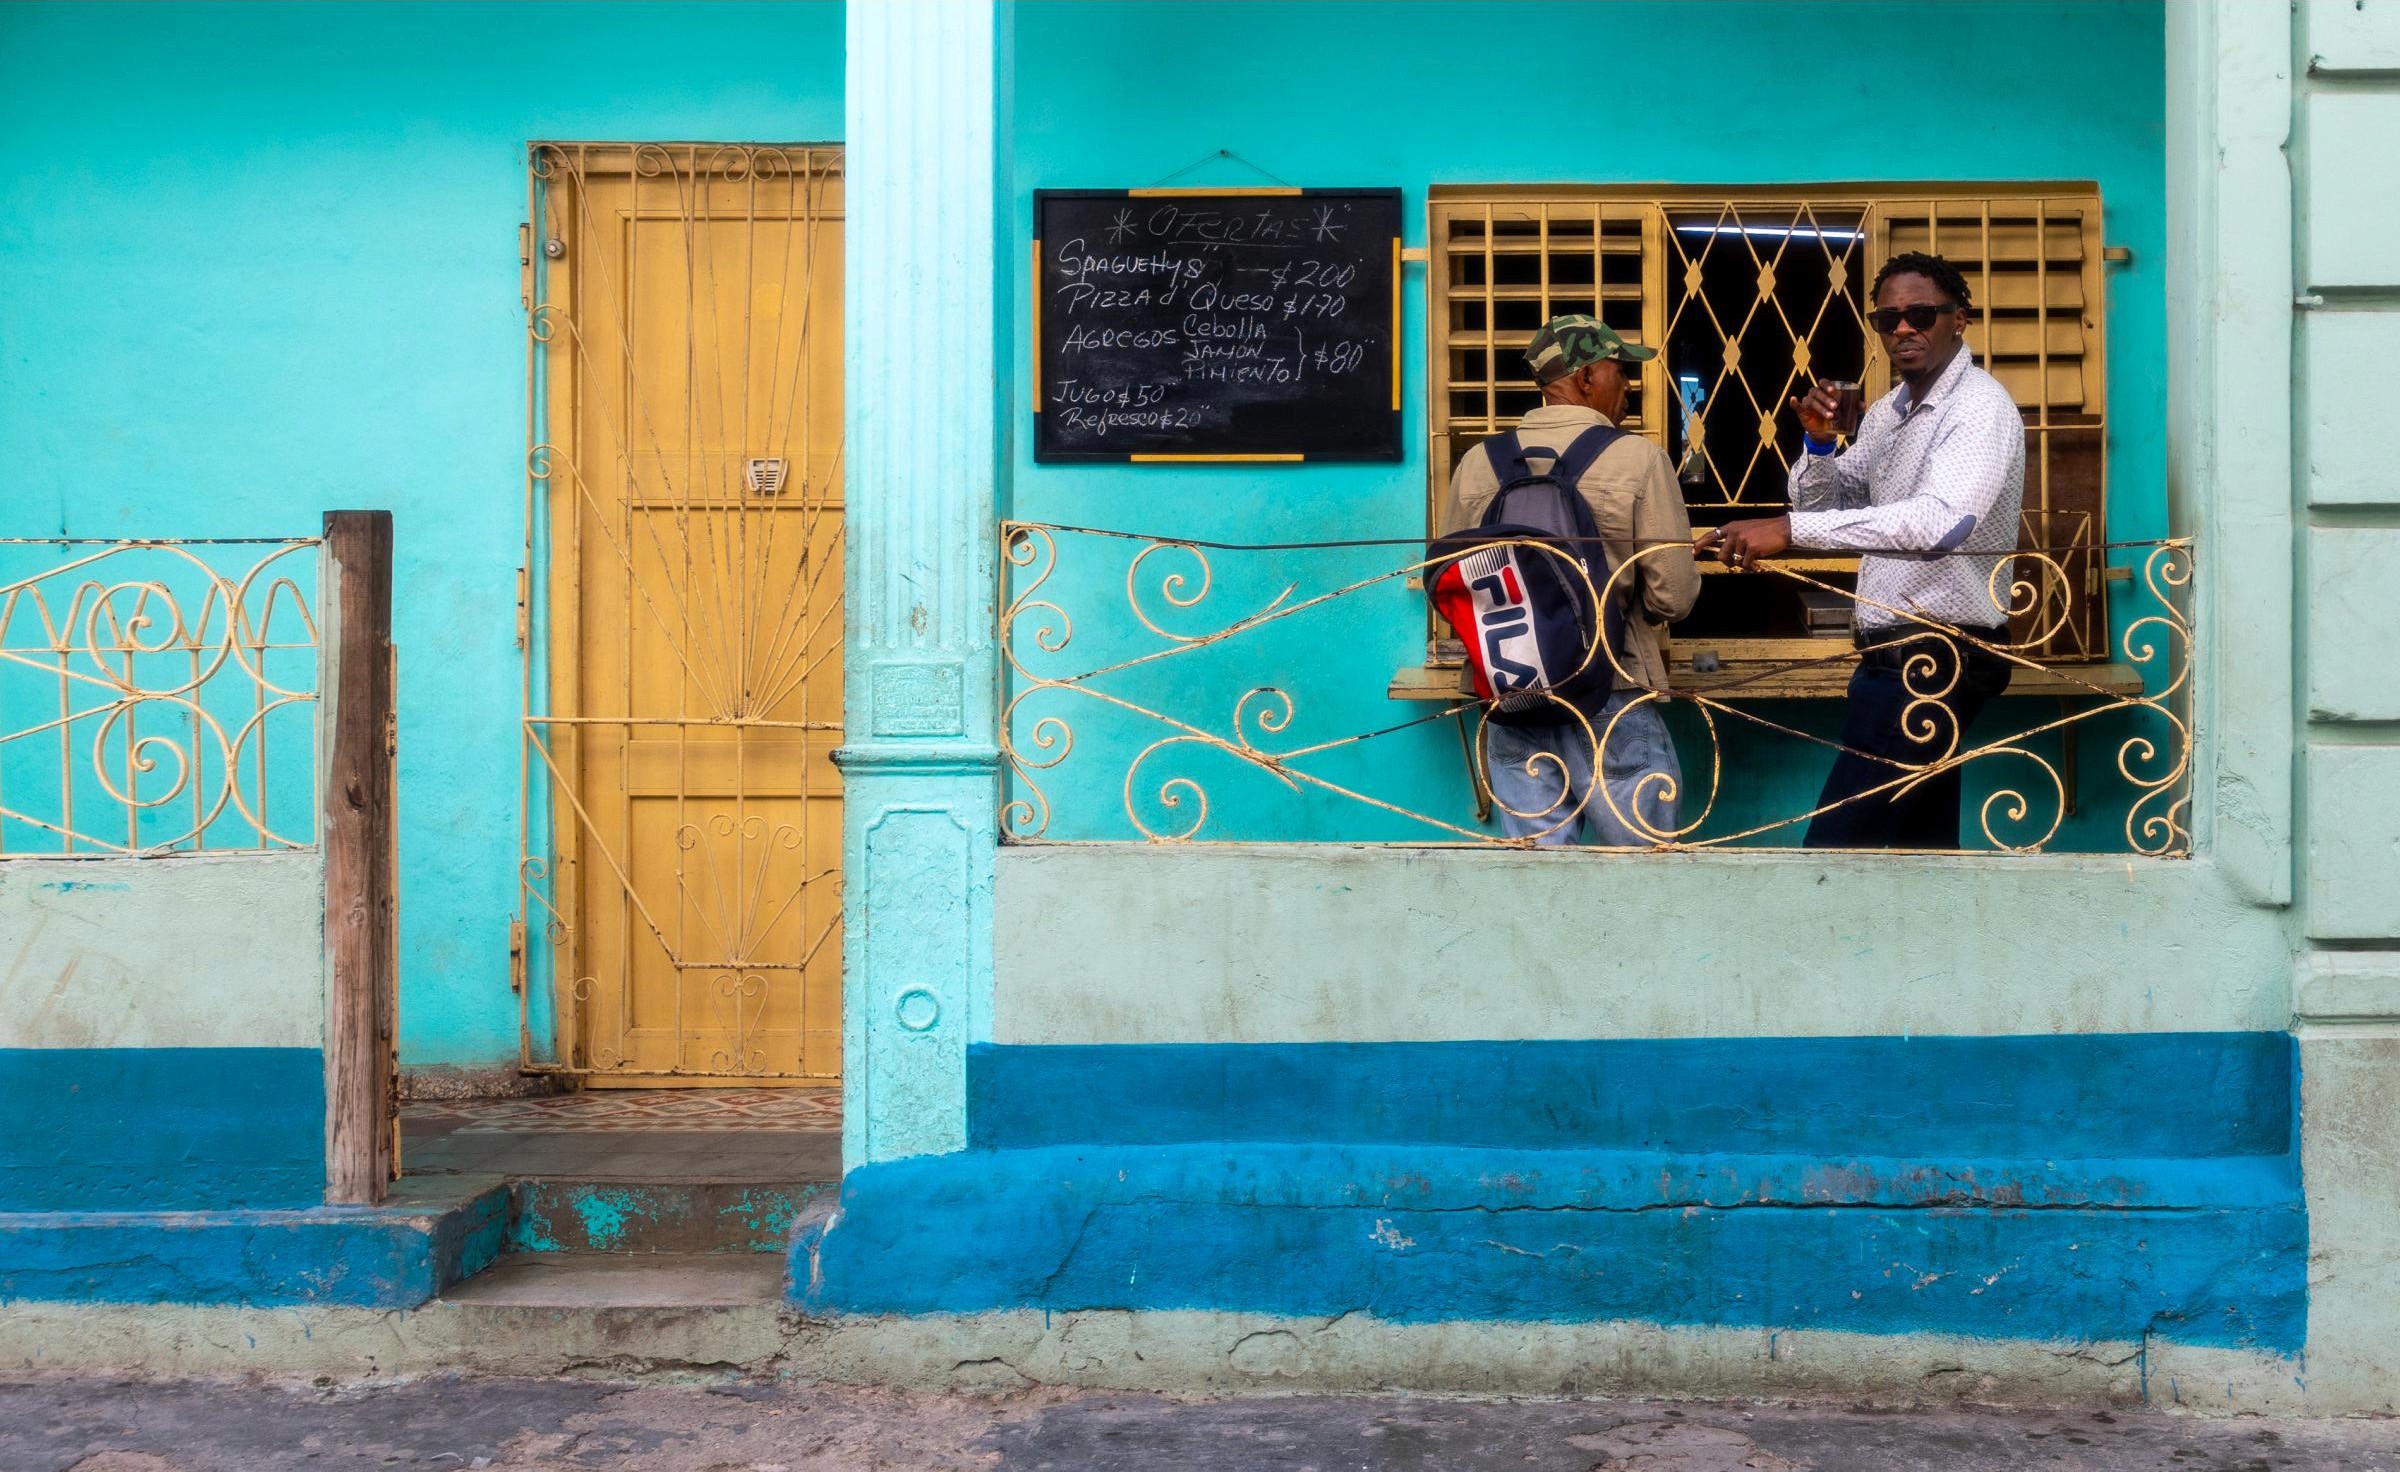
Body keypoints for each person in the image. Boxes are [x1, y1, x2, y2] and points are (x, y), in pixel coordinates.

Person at [1699, 252, 2024, 849]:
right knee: (1915, 854)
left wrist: (1788, 531)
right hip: (1893, 658)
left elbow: (1941, 524)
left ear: (1961, 319)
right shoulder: (1887, 413)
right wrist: (1819, 446)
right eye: (1888, 319)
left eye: (1921, 314)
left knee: (1838, 851)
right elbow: (1832, 504)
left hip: (1935, 660)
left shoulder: (1979, 406)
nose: (1903, 328)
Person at [1442, 315, 1701, 845]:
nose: (1627, 384)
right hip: (1610, 687)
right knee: (1641, 876)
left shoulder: (1477, 463)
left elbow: (1453, 580)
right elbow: (1674, 596)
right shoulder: (1639, 459)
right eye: (1619, 370)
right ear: (1585, 378)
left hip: (1513, 696)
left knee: (1539, 881)